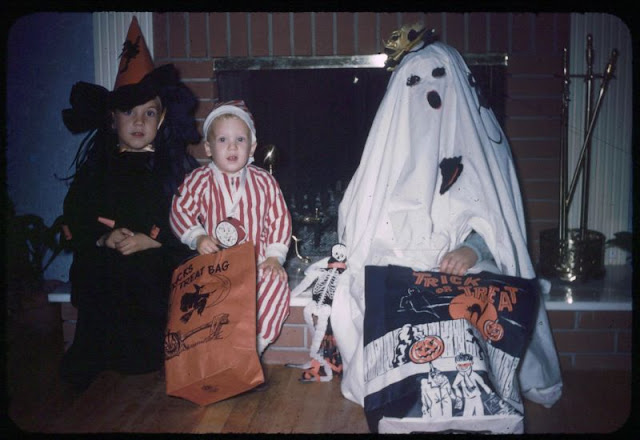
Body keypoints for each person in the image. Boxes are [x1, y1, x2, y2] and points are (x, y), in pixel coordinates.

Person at [331, 24, 562, 412]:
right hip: (400, 262)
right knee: (370, 294)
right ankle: (403, 382)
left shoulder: (478, 151)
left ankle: (468, 384)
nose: (429, 92)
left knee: (480, 301)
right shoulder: (389, 154)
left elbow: (500, 226)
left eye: (439, 77)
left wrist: (472, 249)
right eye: (415, 82)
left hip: (462, 264)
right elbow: (364, 222)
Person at [59, 17, 201, 390]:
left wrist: (153, 241)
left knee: (152, 274)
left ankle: (155, 351)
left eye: (149, 113)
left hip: (155, 261)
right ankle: (93, 350)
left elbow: (191, 219)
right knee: (97, 269)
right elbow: (76, 213)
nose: (139, 121)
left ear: (162, 118)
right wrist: (102, 237)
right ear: (112, 119)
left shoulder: (175, 170)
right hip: (106, 261)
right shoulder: (97, 169)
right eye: (129, 112)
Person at [170, 100, 292, 357]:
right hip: (215, 264)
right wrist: (197, 236)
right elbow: (180, 210)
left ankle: (255, 344)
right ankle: (213, 348)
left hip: (256, 262)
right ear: (208, 148)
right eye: (223, 140)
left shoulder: (265, 182)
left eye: (240, 139)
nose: (232, 146)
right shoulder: (198, 180)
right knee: (200, 297)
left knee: (276, 283)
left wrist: (274, 256)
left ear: (252, 147)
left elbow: (279, 218)